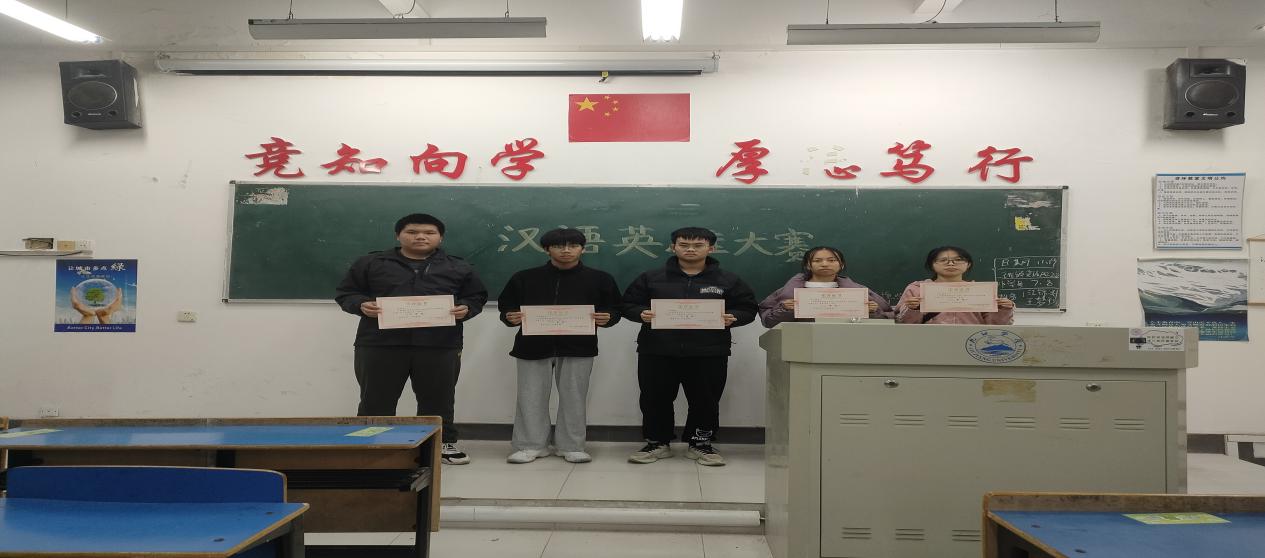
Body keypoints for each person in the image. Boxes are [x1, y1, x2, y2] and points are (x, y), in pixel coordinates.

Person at [335, 213, 488, 465]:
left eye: (429, 232)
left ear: (440, 237)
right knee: (376, 398)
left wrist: (466, 308)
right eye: (412, 232)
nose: (420, 237)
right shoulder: (371, 263)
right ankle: (372, 443)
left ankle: (441, 444)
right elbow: (346, 293)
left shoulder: (458, 266)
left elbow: (476, 297)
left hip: (439, 344)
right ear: (398, 235)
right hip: (380, 343)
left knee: (438, 397)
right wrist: (360, 304)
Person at [621, 227, 758, 467]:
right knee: (655, 398)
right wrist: (640, 313)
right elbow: (627, 304)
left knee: (706, 400)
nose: (691, 249)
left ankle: (700, 444)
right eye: (684, 245)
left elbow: (748, 308)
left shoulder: (728, 280)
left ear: (711, 248)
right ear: (673, 247)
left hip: (709, 351)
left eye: (698, 245)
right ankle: (657, 442)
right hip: (657, 350)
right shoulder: (651, 278)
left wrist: (733, 317)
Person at [497, 228, 623, 464]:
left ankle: (572, 446)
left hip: (579, 346)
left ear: (582, 249)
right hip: (532, 345)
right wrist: (509, 316)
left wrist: (608, 318)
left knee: (574, 397)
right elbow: (507, 306)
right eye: (558, 246)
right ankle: (530, 445)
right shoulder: (524, 277)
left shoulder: (600, 278)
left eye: (573, 246)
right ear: (547, 249)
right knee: (530, 396)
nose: (566, 250)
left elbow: (614, 309)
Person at [758, 246, 892, 327]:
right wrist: (785, 309)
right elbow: (769, 322)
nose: (825, 264)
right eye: (817, 260)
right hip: (803, 347)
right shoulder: (788, 292)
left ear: (841, 265)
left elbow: (889, 318)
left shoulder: (860, 292)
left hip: (850, 343)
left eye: (832, 260)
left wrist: (873, 312)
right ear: (808, 265)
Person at [894, 245, 1014, 325]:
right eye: (943, 260)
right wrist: (911, 309)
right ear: (932, 265)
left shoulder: (981, 291)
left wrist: (1003, 309)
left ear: (968, 264)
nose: (951, 263)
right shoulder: (916, 289)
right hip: (927, 341)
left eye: (958, 260)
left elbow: (995, 325)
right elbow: (902, 323)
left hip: (970, 341)